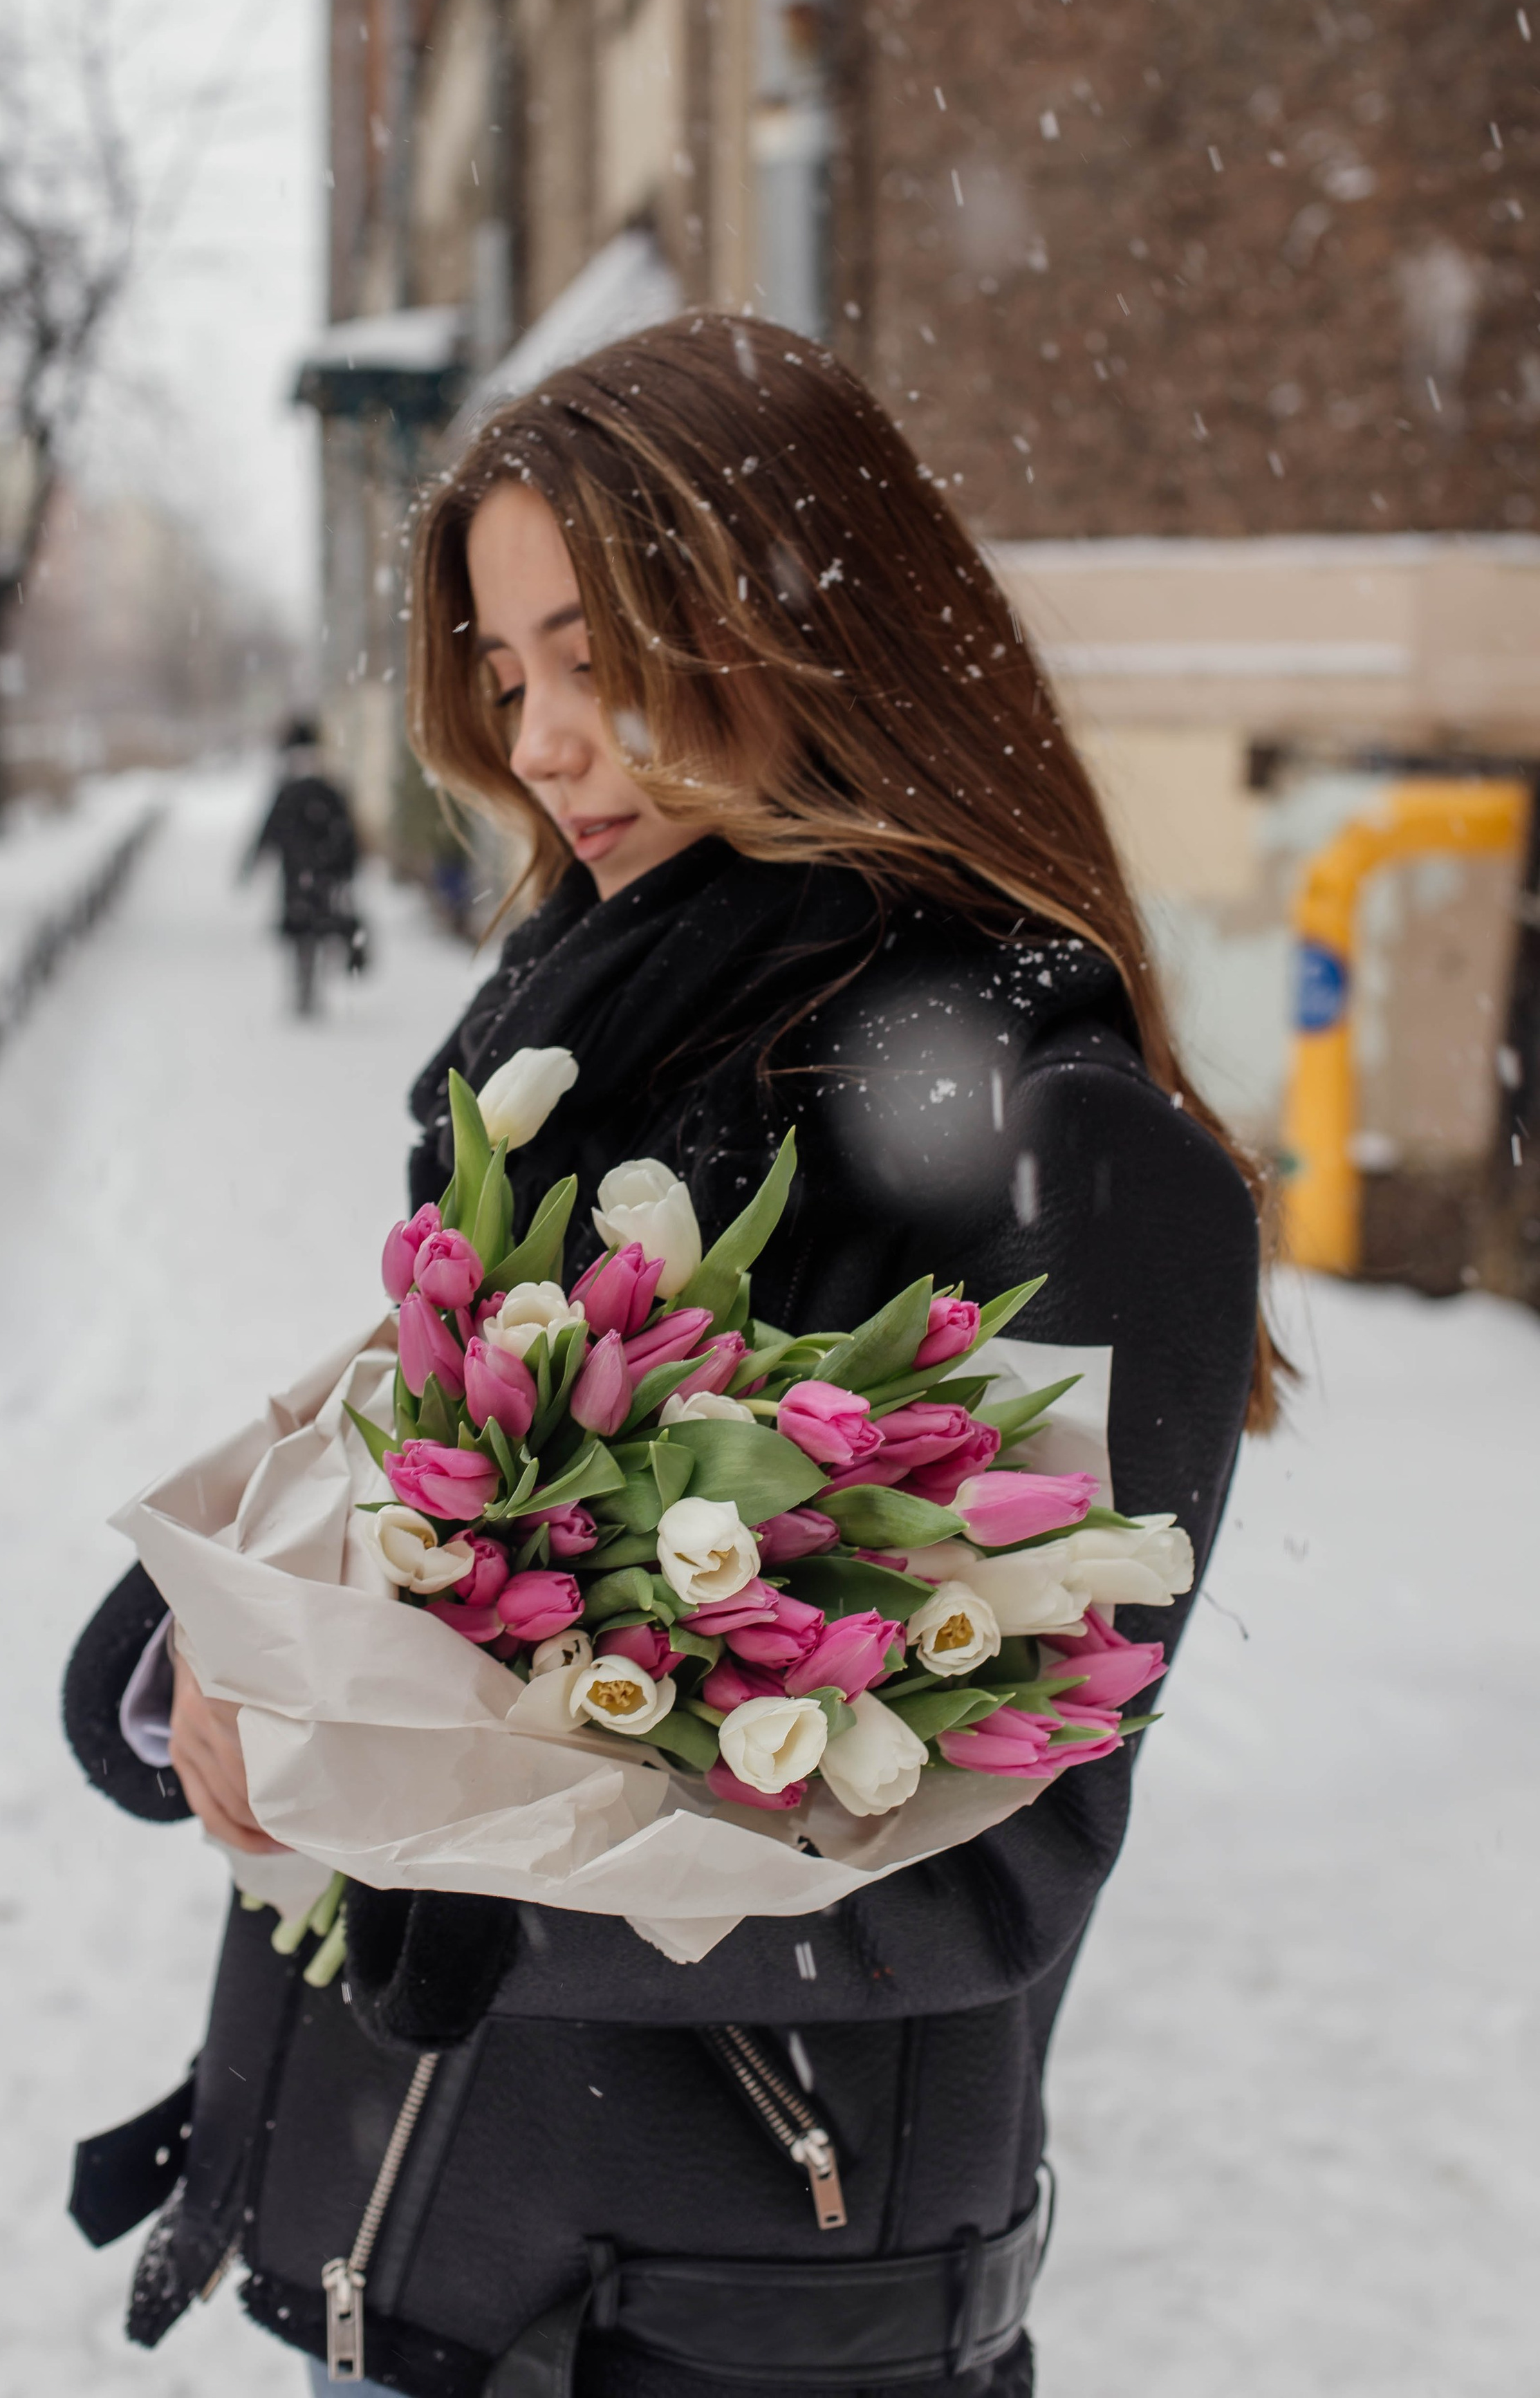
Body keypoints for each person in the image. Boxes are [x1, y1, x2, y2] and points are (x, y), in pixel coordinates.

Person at [64, 317, 1270, 2397]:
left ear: (814, 631)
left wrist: (408, 1820)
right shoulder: (580, 1062)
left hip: (717, 2326)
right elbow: (421, 1532)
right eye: (504, 674)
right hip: (414, 2274)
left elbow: (992, 1859)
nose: (538, 741)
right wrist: (217, 1651)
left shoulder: (1057, 1146)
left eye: (596, 658)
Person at [245, 716, 367, 1016]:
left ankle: (308, 990)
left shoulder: (304, 791)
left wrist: (254, 862)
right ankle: (307, 990)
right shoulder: (320, 790)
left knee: (309, 934)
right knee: (309, 934)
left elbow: (345, 836)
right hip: (312, 878)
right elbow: (272, 830)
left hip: (308, 878)